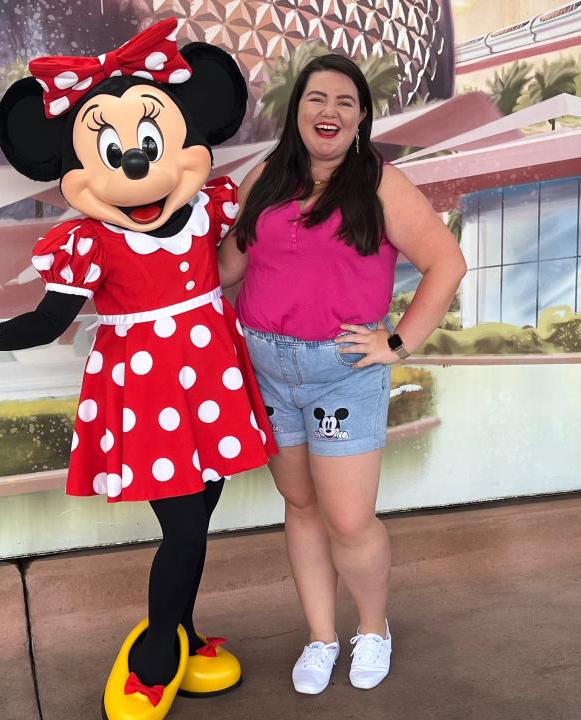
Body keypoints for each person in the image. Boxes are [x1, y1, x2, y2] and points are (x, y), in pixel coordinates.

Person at [0, 19, 276, 720]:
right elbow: (53, 319)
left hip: (209, 380)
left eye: (149, 145)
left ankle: (180, 630)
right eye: (115, 152)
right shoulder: (88, 240)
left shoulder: (206, 207)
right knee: (183, 531)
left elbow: (248, 246)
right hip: (149, 397)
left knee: (199, 518)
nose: (138, 167)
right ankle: (154, 657)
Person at [218, 53, 466, 695]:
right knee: (300, 506)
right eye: (316, 100)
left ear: (360, 118)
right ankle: (321, 638)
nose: (329, 112)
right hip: (269, 366)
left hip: (343, 371)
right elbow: (227, 271)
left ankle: (373, 628)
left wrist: (399, 342)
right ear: (296, 109)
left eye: (344, 103)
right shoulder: (265, 178)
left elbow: (446, 262)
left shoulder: (378, 182)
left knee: (349, 520)